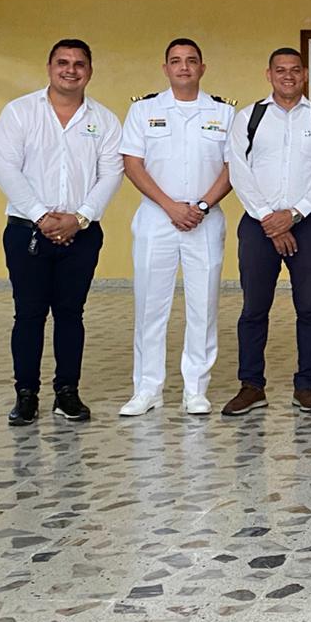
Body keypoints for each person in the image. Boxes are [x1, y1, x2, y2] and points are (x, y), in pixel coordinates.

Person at [0, 39, 123, 425]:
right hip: (26, 232)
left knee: (70, 313)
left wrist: (79, 218)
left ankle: (67, 393)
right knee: (29, 314)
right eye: (63, 62)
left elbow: (111, 173)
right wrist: (42, 217)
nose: (71, 69)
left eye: (79, 64)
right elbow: (5, 169)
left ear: (90, 71)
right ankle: (26, 394)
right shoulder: (19, 113)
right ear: (49, 67)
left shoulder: (105, 119)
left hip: (82, 233)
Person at [118, 38, 234, 417]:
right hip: (157, 218)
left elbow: (233, 168)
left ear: (203, 68)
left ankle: (196, 389)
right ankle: (147, 388)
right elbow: (133, 164)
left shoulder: (223, 113)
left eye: (191, 61)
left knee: (203, 307)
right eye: (175, 61)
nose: (184, 67)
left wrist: (199, 207)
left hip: (205, 218)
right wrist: (171, 207)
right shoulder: (143, 110)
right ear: (165, 68)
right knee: (150, 306)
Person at [221, 48, 311, 417]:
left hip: (308, 226)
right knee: (254, 309)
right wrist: (269, 220)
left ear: (303, 75)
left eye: (294, 70)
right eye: (280, 70)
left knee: (310, 308)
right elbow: (238, 169)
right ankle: (251, 386)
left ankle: (306, 386)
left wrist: (294, 214)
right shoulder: (249, 117)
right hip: (258, 227)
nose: (287, 76)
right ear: (268, 73)